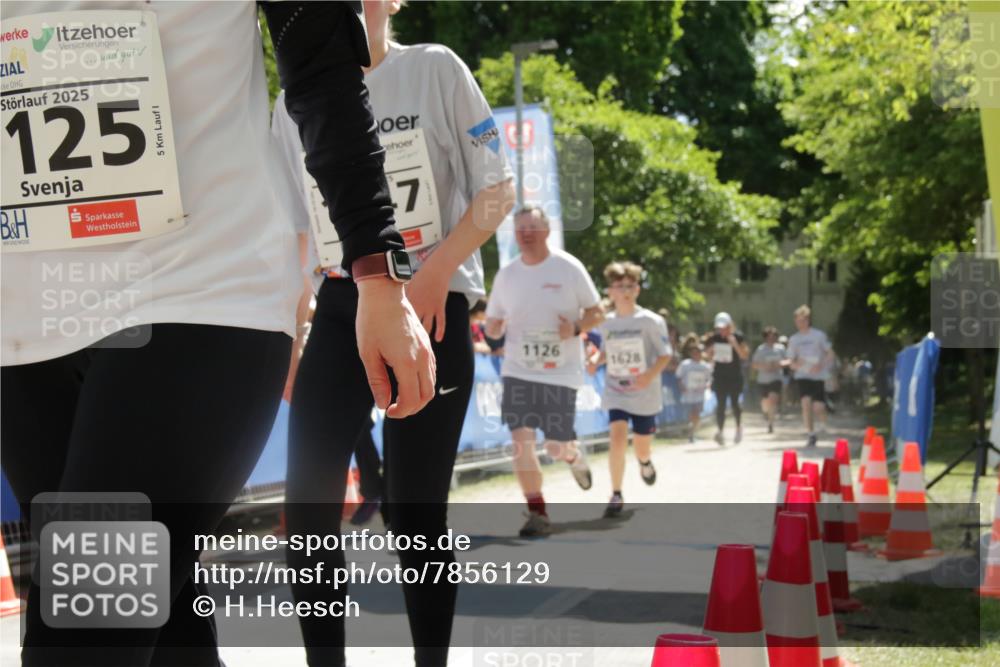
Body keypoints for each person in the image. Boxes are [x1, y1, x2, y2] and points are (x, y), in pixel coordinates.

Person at [0, 2, 435, 665]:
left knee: (81, 635)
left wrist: (377, 271)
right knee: (159, 630)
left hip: (196, 291)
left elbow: (320, 67)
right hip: (26, 325)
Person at [272, 1, 515, 664]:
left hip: (434, 301)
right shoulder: (292, 94)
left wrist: (435, 275)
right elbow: (293, 232)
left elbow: (497, 188)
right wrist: (296, 332)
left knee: (414, 515)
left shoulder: (435, 68)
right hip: (343, 303)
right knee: (310, 511)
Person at [485, 207, 604, 537]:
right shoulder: (507, 275)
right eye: (520, 228)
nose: (525, 233)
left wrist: (577, 326)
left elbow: (598, 311)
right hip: (517, 370)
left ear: (546, 231)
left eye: (532, 227)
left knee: (554, 447)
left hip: (559, 372)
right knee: (520, 442)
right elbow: (493, 324)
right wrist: (493, 327)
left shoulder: (567, 267)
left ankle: (573, 455)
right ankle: (537, 513)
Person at [591, 261, 672, 517]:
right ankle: (616, 493)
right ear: (610, 291)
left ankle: (645, 462)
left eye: (631, 285)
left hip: (644, 393)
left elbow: (665, 355)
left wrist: (648, 376)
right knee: (616, 438)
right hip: (617, 390)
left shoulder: (651, 321)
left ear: (637, 289)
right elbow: (607, 352)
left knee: (641, 446)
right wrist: (595, 361)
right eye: (620, 286)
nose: (626, 291)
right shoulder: (606, 322)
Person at [786, 304, 834, 447]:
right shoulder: (794, 339)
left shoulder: (818, 335)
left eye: (803, 320)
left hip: (818, 375)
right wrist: (796, 365)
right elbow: (790, 361)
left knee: (818, 407)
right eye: (798, 321)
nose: (800, 323)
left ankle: (824, 419)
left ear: (808, 320)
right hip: (803, 376)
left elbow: (830, 353)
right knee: (805, 404)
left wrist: (822, 365)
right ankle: (811, 434)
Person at [704, 312, 749, 446]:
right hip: (720, 376)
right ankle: (720, 431)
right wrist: (711, 349)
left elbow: (744, 355)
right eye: (719, 328)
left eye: (724, 327)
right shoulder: (714, 338)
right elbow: (706, 355)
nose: (721, 330)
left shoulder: (738, 337)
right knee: (721, 404)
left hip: (734, 376)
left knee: (735, 403)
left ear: (729, 326)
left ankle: (738, 427)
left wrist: (734, 344)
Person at [677, 339, 712, 443]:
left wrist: (707, 385)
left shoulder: (705, 366)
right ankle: (691, 432)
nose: (696, 354)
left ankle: (692, 431)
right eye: (694, 352)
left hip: (700, 395)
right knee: (692, 413)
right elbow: (679, 377)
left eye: (698, 352)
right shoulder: (685, 364)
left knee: (697, 414)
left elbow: (709, 379)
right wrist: (681, 386)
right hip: (688, 394)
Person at [752, 326, 785, 434]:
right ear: (765, 337)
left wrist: (779, 364)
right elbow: (754, 364)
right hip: (763, 379)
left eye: (773, 336)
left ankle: (771, 423)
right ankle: (766, 413)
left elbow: (788, 361)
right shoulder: (761, 349)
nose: (771, 339)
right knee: (765, 404)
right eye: (769, 337)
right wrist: (764, 366)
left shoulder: (780, 348)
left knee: (773, 399)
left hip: (776, 378)